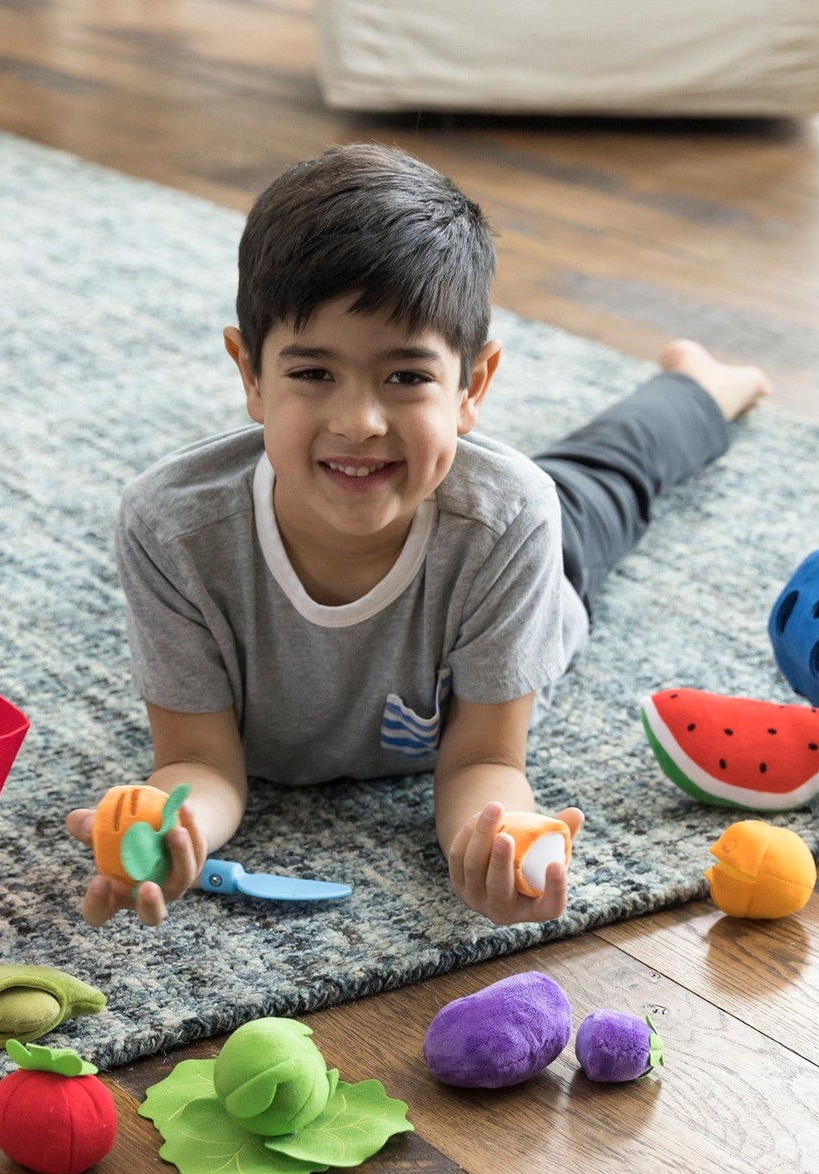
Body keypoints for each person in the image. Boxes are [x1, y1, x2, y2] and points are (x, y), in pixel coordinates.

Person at [66, 142, 768, 928]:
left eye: (406, 377)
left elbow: (483, 760)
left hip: (515, 545)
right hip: (445, 491)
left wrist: (492, 842)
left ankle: (701, 382)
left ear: (472, 387)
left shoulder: (510, 520)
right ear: (250, 376)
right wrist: (174, 823)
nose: (359, 422)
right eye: (312, 373)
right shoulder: (172, 527)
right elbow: (199, 760)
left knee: (614, 474)